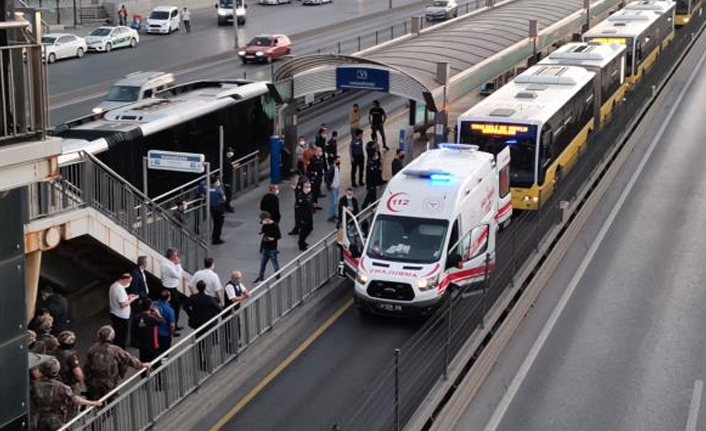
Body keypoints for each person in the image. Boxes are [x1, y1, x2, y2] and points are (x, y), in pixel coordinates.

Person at [30, 358, 101, 430]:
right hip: (56, 421)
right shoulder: (61, 387)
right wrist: (92, 402)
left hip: (39, 419)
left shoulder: (34, 385)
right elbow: (75, 399)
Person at [85, 326, 149, 401]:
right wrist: (142, 365)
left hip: (94, 382)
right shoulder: (115, 349)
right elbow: (129, 359)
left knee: (98, 404)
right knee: (112, 403)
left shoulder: (92, 348)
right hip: (109, 382)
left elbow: (87, 366)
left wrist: (86, 381)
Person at [108, 273, 138, 350]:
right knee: (122, 337)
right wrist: (132, 299)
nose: (129, 283)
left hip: (115, 313)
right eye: (129, 281)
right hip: (121, 316)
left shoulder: (114, 286)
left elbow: (119, 299)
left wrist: (128, 297)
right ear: (125, 280)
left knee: (117, 334)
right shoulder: (120, 289)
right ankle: (120, 352)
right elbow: (123, 305)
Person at [55, 331, 85, 398]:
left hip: (56, 383)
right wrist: (82, 380)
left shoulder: (53, 352)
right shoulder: (71, 356)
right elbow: (78, 374)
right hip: (69, 384)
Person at [128, 256, 150, 347]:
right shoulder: (136, 274)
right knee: (136, 321)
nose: (147, 263)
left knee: (140, 320)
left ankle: (139, 339)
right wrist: (141, 298)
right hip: (139, 301)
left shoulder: (141, 272)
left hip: (143, 299)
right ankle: (134, 341)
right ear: (143, 263)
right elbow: (134, 289)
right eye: (146, 262)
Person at [161, 248, 184, 332]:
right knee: (174, 308)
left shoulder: (167, 262)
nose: (177, 257)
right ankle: (172, 328)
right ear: (171, 256)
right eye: (175, 255)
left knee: (174, 307)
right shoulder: (168, 266)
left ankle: (174, 325)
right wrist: (178, 265)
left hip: (171, 287)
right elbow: (178, 275)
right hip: (170, 288)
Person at [254, 212, 281, 283]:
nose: (262, 221)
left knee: (275, 263)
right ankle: (260, 277)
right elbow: (262, 231)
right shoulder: (264, 224)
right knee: (262, 264)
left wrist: (272, 238)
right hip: (265, 247)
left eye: (263, 220)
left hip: (272, 248)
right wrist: (261, 231)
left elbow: (278, 236)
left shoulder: (275, 225)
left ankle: (278, 274)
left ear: (267, 218)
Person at [295, 181, 315, 251]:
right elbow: (300, 207)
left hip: (309, 215)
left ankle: (303, 240)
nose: (308, 188)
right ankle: (301, 243)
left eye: (309, 187)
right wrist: (300, 219)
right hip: (303, 216)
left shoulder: (309, 194)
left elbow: (310, 203)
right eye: (306, 187)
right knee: (303, 230)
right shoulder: (300, 196)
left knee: (309, 229)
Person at [209, 176, 227, 245]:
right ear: (216, 181)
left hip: (212, 208)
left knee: (215, 223)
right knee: (219, 224)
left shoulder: (208, 189)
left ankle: (214, 237)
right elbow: (224, 198)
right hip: (219, 208)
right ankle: (216, 239)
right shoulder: (218, 189)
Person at [326, 156, 341, 222]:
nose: (339, 161)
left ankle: (334, 213)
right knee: (334, 202)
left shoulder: (337, 167)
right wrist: (330, 185)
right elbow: (327, 177)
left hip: (337, 186)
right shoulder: (331, 168)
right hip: (333, 187)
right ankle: (330, 216)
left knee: (335, 201)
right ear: (334, 161)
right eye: (337, 160)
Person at [222, 148, 235, 213]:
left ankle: (227, 206)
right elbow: (228, 168)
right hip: (226, 180)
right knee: (228, 193)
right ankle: (227, 206)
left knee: (228, 194)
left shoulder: (228, 159)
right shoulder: (225, 160)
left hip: (228, 179)